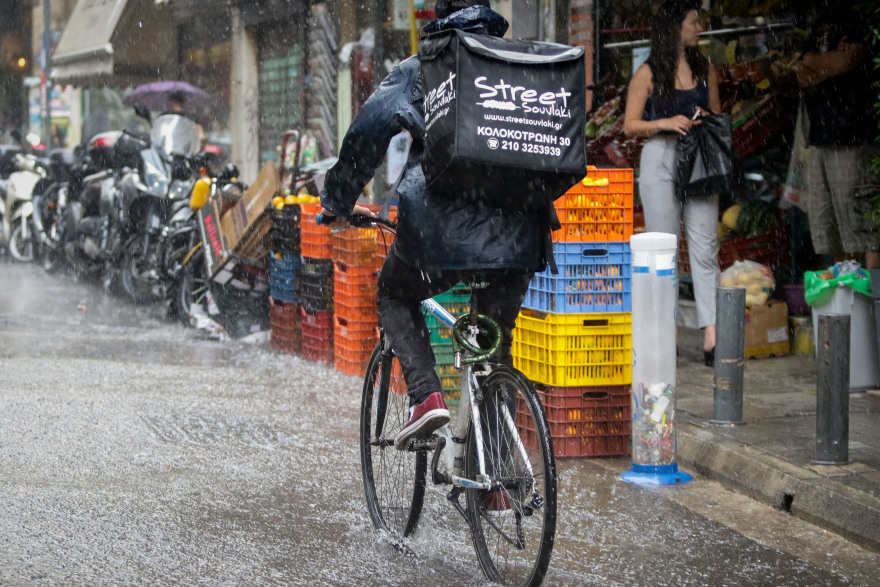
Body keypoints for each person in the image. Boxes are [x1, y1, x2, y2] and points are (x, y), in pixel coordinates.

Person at [320, 0, 551, 449]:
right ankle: (497, 488)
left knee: (395, 292)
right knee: (492, 350)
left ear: (437, 15)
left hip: (442, 234)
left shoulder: (423, 66)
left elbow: (368, 130)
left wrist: (338, 199)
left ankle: (425, 397)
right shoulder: (517, 62)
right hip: (521, 232)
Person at [623, 0, 721, 366]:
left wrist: (703, 117)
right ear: (675, 27)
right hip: (660, 156)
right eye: (694, 22)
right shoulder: (648, 72)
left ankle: (711, 334)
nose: (700, 27)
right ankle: (666, 332)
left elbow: (717, 113)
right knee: (663, 249)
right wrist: (666, 122)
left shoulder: (705, 67)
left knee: (704, 247)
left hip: (699, 158)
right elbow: (629, 124)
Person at [796, 8, 880, 270]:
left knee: (862, 231)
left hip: (854, 138)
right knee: (829, 230)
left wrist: (819, 63)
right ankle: (847, 296)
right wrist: (826, 63)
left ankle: (871, 303)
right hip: (821, 140)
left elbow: (846, 62)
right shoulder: (817, 22)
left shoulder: (858, 17)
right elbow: (801, 74)